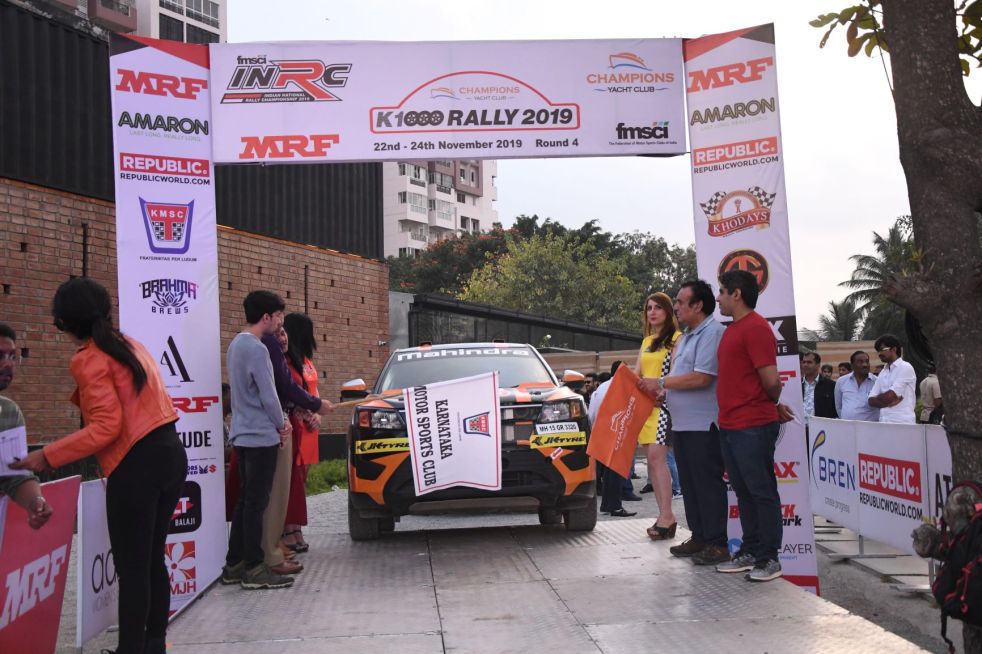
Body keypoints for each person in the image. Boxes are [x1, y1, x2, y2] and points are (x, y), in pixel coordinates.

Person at [12, 278, 185, 654]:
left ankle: (131, 650)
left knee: (133, 567)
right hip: (171, 454)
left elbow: (107, 427)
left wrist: (47, 455)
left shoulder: (90, 358)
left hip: (136, 464)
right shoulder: (129, 345)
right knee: (153, 559)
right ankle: (154, 644)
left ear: (65, 324)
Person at [713, 270, 793, 583]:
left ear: (737, 294)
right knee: (744, 492)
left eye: (721, 291)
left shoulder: (757, 328)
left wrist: (771, 403)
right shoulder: (733, 330)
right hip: (731, 424)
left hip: (752, 425)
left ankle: (769, 558)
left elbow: (771, 381)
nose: (718, 297)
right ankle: (749, 552)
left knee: (762, 492)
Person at [645, 280, 728, 564]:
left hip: (704, 426)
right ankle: (700, 536)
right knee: (691, 486)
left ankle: (717, 542)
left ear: (698, 305)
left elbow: (702, 377)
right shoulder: (688, 335)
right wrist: (665, 395)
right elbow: (681, 378)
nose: (676, 307)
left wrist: (659, 382)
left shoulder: (712, 333)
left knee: (707, 485)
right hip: (682, 425)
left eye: (680, 302)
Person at [221, 290, 296, 591]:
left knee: (245, 501)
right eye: (278, 316)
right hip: (260, 435)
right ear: (266, 316)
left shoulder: (235, 345)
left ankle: (234, 563)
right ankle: (254, 567)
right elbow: (268, 393)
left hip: (241, 432)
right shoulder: (257, 348)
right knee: (256, 503)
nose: (280, 322)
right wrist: (282, 424)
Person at [634, 292, 681, 539]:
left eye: (658, 308)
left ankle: (667, 516)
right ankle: (663, 515)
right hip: (644, 408)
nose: (652, 312)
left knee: (657, 459)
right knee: (652, 464)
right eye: (649, 308)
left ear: (668, 311)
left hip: (664, 407)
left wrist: (662, 390)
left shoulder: (677, 339)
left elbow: (675, 373)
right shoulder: (646, 341)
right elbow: (637, 375)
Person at [0, 322, 53, 530]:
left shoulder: (8, 413)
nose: (8, 364)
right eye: (0, 356)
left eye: (13, 356)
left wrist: (35, 502)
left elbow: (14, 475)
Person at [282, 312, 323, 553]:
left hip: (311, 429)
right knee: (291, 480)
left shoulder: (306, 360)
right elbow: (291, 391)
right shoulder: (287, 360)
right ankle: (288, 528)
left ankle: (297, 526)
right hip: (296, 425)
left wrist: (317, 413)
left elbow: (313, 391)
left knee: (302, 480)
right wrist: (306, 412)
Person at [588, 361, 636, 517]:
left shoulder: (602, 387)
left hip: (602, 430)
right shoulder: (622, 386)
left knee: (608, 471)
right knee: (617, 470)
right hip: (618, 432)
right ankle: (615, 505)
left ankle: (607, 504)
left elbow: (592, 412)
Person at [868, 334, 917, 424]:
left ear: (894, 349)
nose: (879, 354)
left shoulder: (905, 367)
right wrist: (887, 402)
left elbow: (891, 396)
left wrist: (880, 399)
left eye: (882, 350)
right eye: (878, 351)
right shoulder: (883, 372)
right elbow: (871, 400)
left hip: (902, 423)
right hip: (884, 421)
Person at [834, 351, 880, 421]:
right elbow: (839, 406)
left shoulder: (877, 381)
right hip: (847, 427)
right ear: (852, 365)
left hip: (870, 428)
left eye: (867, 361)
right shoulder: (841, 381)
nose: (865, 364)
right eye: (860, 362)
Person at [800, 352, 838, 421]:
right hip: (800, 428)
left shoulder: (831, 385)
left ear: (818, 365)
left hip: (821, 429)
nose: (805, 365)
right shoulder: (797, 385)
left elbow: (835, 409)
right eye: (804, 362)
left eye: (809, 362)